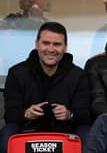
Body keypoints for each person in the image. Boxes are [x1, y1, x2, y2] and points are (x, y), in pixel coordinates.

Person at [0, 22, 91, 153]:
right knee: (7, 132)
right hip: (27, 131)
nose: (51, 49)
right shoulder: (17, 72)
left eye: (57, 44)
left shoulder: (78, 75)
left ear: (65, 47)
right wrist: (26, 113)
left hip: (66, 132)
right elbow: (10, 114)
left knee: (87, 133)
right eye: (46, 43)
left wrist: (68, 115)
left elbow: (85, 116)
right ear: (37, 44)